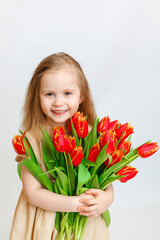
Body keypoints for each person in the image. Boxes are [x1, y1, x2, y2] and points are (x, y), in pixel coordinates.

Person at [10, 52, 114, 240]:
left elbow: (104, 179)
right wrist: (78, 203)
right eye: (49, 94)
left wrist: (107, 198)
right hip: (45, 221)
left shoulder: (92, 134)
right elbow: (32, 193)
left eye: (67, 93)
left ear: (81, 95)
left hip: (85, 221)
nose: (58, 102)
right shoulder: (32, 138)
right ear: (38, 96)